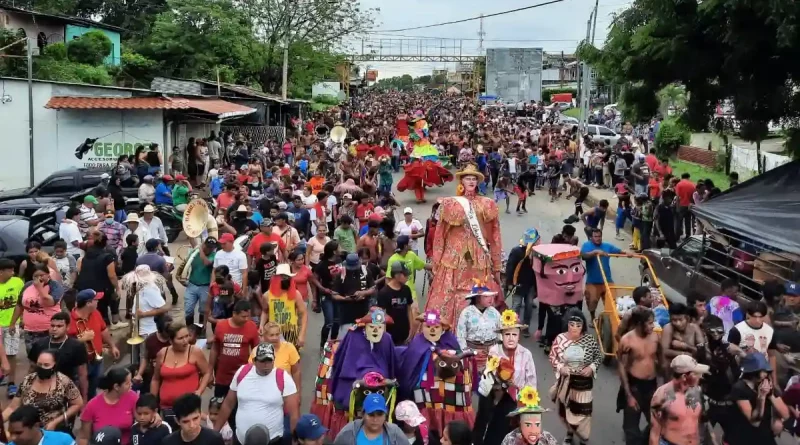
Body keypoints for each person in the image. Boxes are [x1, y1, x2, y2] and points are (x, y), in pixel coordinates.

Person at [424, 163, 503, 324]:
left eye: (474, 178)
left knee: (480, 292)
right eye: (468, 178)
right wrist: (437, 259)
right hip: (453, 257)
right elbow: (440, 234)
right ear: (462, 181)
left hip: (478, 256)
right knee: (448, 294)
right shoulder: (450, 204)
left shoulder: (486, 204)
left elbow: (494, 236)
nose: (471, 181)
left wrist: (496, 264)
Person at [214, 343, 300, 445]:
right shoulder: (242, 372)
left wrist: (295, 440)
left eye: (269, 361)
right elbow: (228, 404)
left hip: (273, 441)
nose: (266, 365)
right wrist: (215, 432)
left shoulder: (283, 377)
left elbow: (294, 413)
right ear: (254, 361)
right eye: (263, 361)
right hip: (241, 440)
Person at [548, 309, 602, 445]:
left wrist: (591, 368)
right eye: (572, 324)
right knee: (565, 409)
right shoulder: (560, 339)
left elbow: (598, 357)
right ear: (567, 324)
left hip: (583, 385)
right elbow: (553, 357)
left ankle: (584, 437)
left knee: (583, 413)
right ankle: (570, 432)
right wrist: (561, 368)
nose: (575, 328)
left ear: (583, 325)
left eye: (578, 325)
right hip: (565, 383)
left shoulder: (589, 340)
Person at [2, 349, 83, 434]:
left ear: (54, 365)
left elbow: (77, 404)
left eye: (46, 365)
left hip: (54, 431)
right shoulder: (28, 380)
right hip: (29, 430)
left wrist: (57, 421)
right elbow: (13, 407)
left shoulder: (63, 382)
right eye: (39, 364)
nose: (42, 367)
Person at [150, 323, 212, 425]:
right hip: (166, 408)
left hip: (189, 407)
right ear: (170, 340)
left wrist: (199, 391)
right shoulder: (162, 353)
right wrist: (152, 405)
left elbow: (207, 372)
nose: (185, 341)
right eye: (180, 338)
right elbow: (155, 379)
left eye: (187, 336)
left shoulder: (195, 351)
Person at [617, 307, 660, 445]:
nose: (653, 326)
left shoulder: (655, 337)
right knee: (631, 428)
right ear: (640, 323)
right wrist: (629, 395)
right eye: (649, 323)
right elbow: (622, 368)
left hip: (652, 386)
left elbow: (662, 363)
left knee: (657, 422)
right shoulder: (627, 340)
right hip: (634, 387)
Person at [726, 352, 789, 445]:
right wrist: (762, 398)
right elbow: (755, 422)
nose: (766, 374)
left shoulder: (767, 384)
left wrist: (770, 395)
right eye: (763, 371)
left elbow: (786, 414)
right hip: (744, 437)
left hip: (765, 435)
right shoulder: (740, 388)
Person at [27, 312, 88, 401]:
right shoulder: (39, 344)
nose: (54, 329)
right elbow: (32, 369)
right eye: (52, 326)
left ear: (67, 327)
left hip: (66, 391)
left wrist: (84, 399)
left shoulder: (76, 346)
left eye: (59, 326)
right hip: (41, 390)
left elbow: (82, 374)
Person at [649, 355, 707, 445]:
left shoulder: (697, 391)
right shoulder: (661, 396)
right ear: (684, 377)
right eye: (695, 374)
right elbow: (654, 434)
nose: (700, 376)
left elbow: (700, 422)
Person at [209, 300, 259, 400]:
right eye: (243, 316)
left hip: (243, 376)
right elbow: (215, 350)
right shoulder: (221, 326)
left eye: (248, 316)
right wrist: (209, 372)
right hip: (222, 376)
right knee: (219, 404)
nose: (246, 319)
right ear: (234, 314)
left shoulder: (252, 327)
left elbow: (256, 351)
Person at [77, 367, 138, 445]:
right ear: (116, 387)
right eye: (127, 383)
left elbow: (143, 416)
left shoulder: (132, 397)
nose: (131, 385)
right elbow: (84, 438)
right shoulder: (92, 405)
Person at [75, 232, 122, 328]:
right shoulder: (107, 257)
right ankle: (110, 324)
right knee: (110, 301)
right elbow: (112, 275)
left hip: (84, 287)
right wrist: (117, 288)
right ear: (105, 243)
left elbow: (80, 271)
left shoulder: (85, 257)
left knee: (95, 311)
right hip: (101, 288)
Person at [16, 263, 65, 352]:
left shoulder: (55, 286)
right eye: (36, 276)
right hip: (30, 330)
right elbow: (19, 304)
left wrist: (40, 289)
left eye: (42, 275)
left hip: (49, 330)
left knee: (50, 356)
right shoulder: (27, 285)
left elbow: (50, 302)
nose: (39, 278)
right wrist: (13, 323)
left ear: (48, 275)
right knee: (32, 357)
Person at [727, 300, 778, 384]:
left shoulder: (770, 331)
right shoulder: (738, 330)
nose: (758, 320)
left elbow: (771, 356)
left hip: (763, 372)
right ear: (748, 315)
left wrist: (774, 380)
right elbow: (730, 352)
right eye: (755, 316)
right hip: (744, 372)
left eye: (761, 317)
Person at [456, 281, 501, 375]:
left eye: (491, 296)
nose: (490, 299)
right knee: (471, 378)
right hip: (472, 351)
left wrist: (496, 349)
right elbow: (460, 335)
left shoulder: (495, 313)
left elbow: (500, 332)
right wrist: (468, 352)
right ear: (477, 298)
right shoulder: (466, 313)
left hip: (491, 352)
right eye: (486, 296)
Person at [581, 228, 624, 321]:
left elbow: (619, 251)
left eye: (599, 236)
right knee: (591, 302)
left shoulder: (607, 246)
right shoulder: (586, 245)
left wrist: (628, 253)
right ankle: (593, 318)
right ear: (591, 237)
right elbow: (583, 256)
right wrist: (595, 252)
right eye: (595, 236)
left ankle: (611, 321)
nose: (598, 238)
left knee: (613, 303)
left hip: (607, 280)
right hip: (592, 281)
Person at [333, 393, 407, 445]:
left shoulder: (395, 433)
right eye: (371, 415)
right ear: (363, 414)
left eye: (380, 414)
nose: (375, 419)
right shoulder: (349, 432)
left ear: (385, 415)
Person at [261, 264, 307, 347]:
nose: (285, 280)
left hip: (290, 332)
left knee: (292, 358)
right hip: (273, 333)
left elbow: (303, 314)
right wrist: (261, 326)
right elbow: (265, 311)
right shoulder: (267, 295)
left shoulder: (296, 294)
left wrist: (302, 335)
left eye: (287, 277)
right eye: (283, 277)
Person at [178, 237, 217, 328]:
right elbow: (186, 264)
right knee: (188, 309)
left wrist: (200, 250)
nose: (209, 249)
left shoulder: (214, 255)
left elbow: (206, 263)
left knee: (203, 310)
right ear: (204, 244)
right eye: (208, 246)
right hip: (192, 285)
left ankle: (200, 330)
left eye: (212, 247)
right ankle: (190, 329)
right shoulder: (194, 253)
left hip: (205, 286)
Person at [333, 253, 375, 337]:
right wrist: (345, 298)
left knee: (363, 339)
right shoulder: (341, 274)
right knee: (347, 338)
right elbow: (334, 295)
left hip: (363, 312)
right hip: (346, 314)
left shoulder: (365, 271)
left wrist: (363, 293)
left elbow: (373, 288)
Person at [375, 262, 415, 346]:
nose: (407, 278)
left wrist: (411, 328)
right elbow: (381, 315)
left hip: (404, 334)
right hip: (390, 335)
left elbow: (409, 309)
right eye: (405, 275)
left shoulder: (406, 290)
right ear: (397, 275)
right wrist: (384, 336)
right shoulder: (384, 293)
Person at [0, 258, 23, 396]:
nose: (13, 272)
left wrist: (14, 322)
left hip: (11, 325)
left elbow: (21, 303)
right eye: (10, 270)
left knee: (11, 354)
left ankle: (11, 383)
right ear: (1, 272)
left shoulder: (18, 282)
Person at [386, 235, 430, 302]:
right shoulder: (392, 260)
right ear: (405, 246)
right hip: (398, 295)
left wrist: (441, 266)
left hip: (411, 293)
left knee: (415, 312)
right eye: (409, 242)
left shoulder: (411, 255)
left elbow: (424, 265)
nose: (411, 244)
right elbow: (388, 279)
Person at [660, 303, 704, 368]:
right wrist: (684, 354)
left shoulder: (694, 328)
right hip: (675, 369)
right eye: (674, 320)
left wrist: (685, 346)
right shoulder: (668, 328)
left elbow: (701, 350)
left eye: (680, 320)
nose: (678, 323)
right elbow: (664, 351)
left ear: (687, 318)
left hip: (693, 367)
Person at [6, 405, 74, 445]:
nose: (13, 437)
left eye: (18, 433)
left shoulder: (63, 441)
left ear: (36, 426)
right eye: (11, 433)